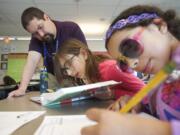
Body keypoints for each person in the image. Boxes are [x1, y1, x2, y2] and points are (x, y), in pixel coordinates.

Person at [81, 5, 180, 135]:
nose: (134, 64)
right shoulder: (164, 73)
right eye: (123, 63)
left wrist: (159, 131)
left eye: (130, 48)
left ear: (160, 25)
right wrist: (136, 103)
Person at [8, 7, 87, 97]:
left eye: (40, 27)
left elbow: (83, 56)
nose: (41, 35)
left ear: (46, 17)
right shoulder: (36, 39)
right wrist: (22, 88)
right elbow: (31, 61)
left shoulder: (70, 28)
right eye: (35, 33)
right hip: (52, 77)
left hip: (73, 75)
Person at [54, 38, 145, 100]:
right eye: (65, 69)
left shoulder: (110, 69)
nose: (69, 73)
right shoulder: (85, 76)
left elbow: (148, 93)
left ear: (84, 54)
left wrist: (113, 94)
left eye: (69, 64)